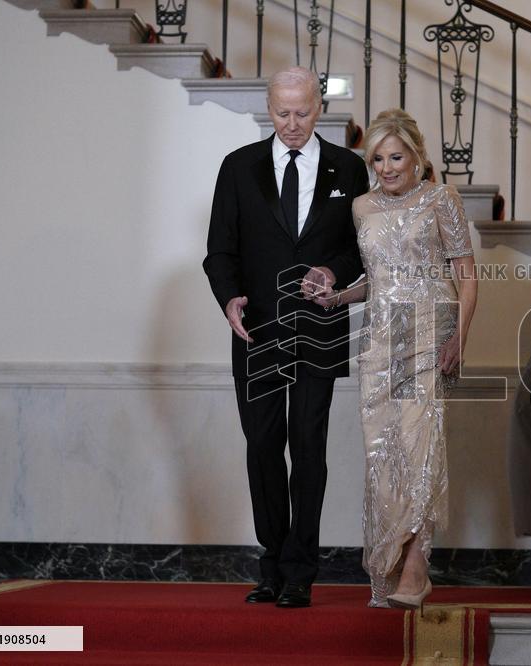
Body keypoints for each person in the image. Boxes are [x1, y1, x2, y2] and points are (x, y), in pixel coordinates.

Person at [203, 66, 369, 609]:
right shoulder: (238, 168)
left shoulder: (350, 167)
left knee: (310, 451)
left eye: (302, 113)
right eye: (282, 113)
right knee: (263, 450)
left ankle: (301, 570)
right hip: (257, 333)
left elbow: (360, 249)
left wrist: (332, 272)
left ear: (319, 108)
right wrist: (228, 297)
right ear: (268, 108)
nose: (292, 124)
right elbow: (219, 252)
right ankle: (271, 563)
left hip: (320, 329)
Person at [314, 109, 477, 608]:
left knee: (419, 447)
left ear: (417, 156)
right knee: (384, 455)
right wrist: (339, 299)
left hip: (427, 331)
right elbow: (377, 279)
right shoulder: (361, 208)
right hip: (379, 340)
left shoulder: (441, 198)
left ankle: (415, 566)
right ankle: (393, 562)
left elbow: (468, 277)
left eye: (396, 156)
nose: (386, 167)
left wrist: (459, 340)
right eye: (378, 158)